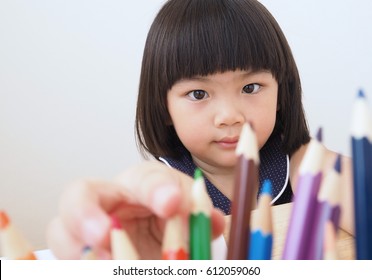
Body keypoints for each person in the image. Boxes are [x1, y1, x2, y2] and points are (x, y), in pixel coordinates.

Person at [46, 0, 354, 259]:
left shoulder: (303, 163)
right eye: (198, 94)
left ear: (280, 93)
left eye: (250, 87)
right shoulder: (167, 188)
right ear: (164, 107)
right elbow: (145, 200)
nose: (229, 116)